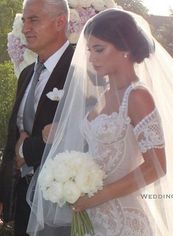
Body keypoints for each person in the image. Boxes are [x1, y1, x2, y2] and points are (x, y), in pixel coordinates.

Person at [28, 9, 173, 236]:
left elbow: (156, 167)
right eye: (89, 50)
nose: (91, 57)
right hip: (94, 218)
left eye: (99, 49)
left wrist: (100, 195)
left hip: (125, 220)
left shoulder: (137, 97)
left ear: (125, 48)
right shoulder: (104, 96)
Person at [0, 0, 74, 235]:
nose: (25, 28)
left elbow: (79, 135)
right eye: (24, 21)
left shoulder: (81, 72)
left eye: (33, 20)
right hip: (22, 204)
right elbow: (13, 139)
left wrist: (27, 151)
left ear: (60, 22)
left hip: (62, 207)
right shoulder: (27, 74)